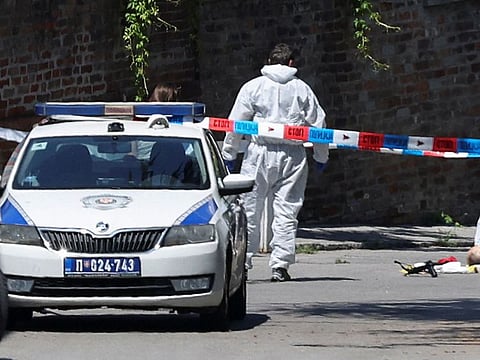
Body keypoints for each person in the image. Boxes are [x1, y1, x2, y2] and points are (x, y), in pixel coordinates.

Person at [221, 43, 329, 282]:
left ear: (268, 60)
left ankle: (243, 262)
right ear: (291, 63)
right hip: (293, 154)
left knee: (249, 210)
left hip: (258, 152)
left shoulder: (253, 86)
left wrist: (229, 154)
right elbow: (319, 125)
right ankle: (280, 265)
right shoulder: (301, 89)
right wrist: (321, 156)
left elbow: (235, 122)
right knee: (287, 211)